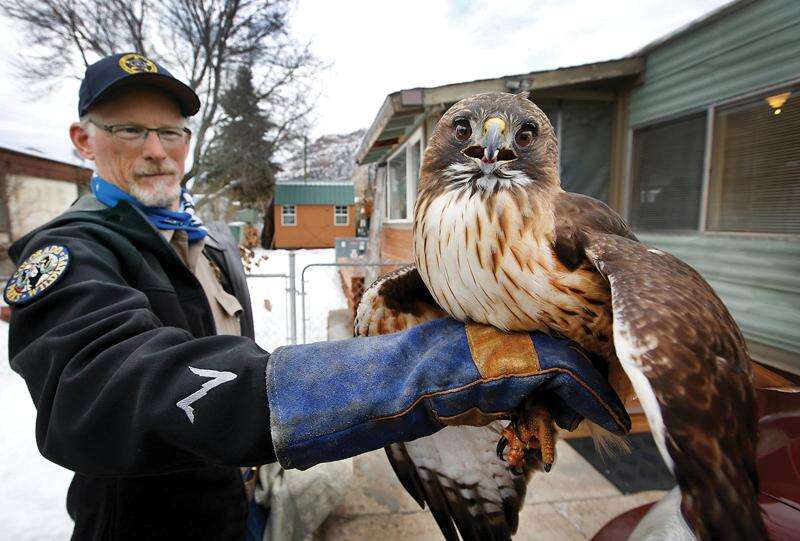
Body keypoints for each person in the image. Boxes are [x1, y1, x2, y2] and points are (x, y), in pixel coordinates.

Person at [4, 53, 630, 541]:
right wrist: (383, 378)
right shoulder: (69, 252)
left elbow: (226, 349)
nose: (155, 149)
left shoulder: (213, 242)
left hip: (236, 499)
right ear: (82, 141)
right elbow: (93, 393)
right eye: (128, 130)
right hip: (142, 523)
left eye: (171, 132)